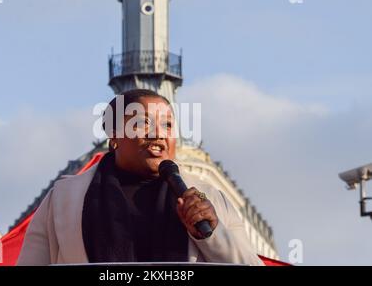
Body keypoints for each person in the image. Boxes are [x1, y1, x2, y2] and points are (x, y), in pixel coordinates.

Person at [17, 89, 263, 265]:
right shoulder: (64, 199)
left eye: (167, 126)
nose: (158, 134)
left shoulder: (209, 199)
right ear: (114, 136)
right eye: (142, 123)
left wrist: (210, 234)